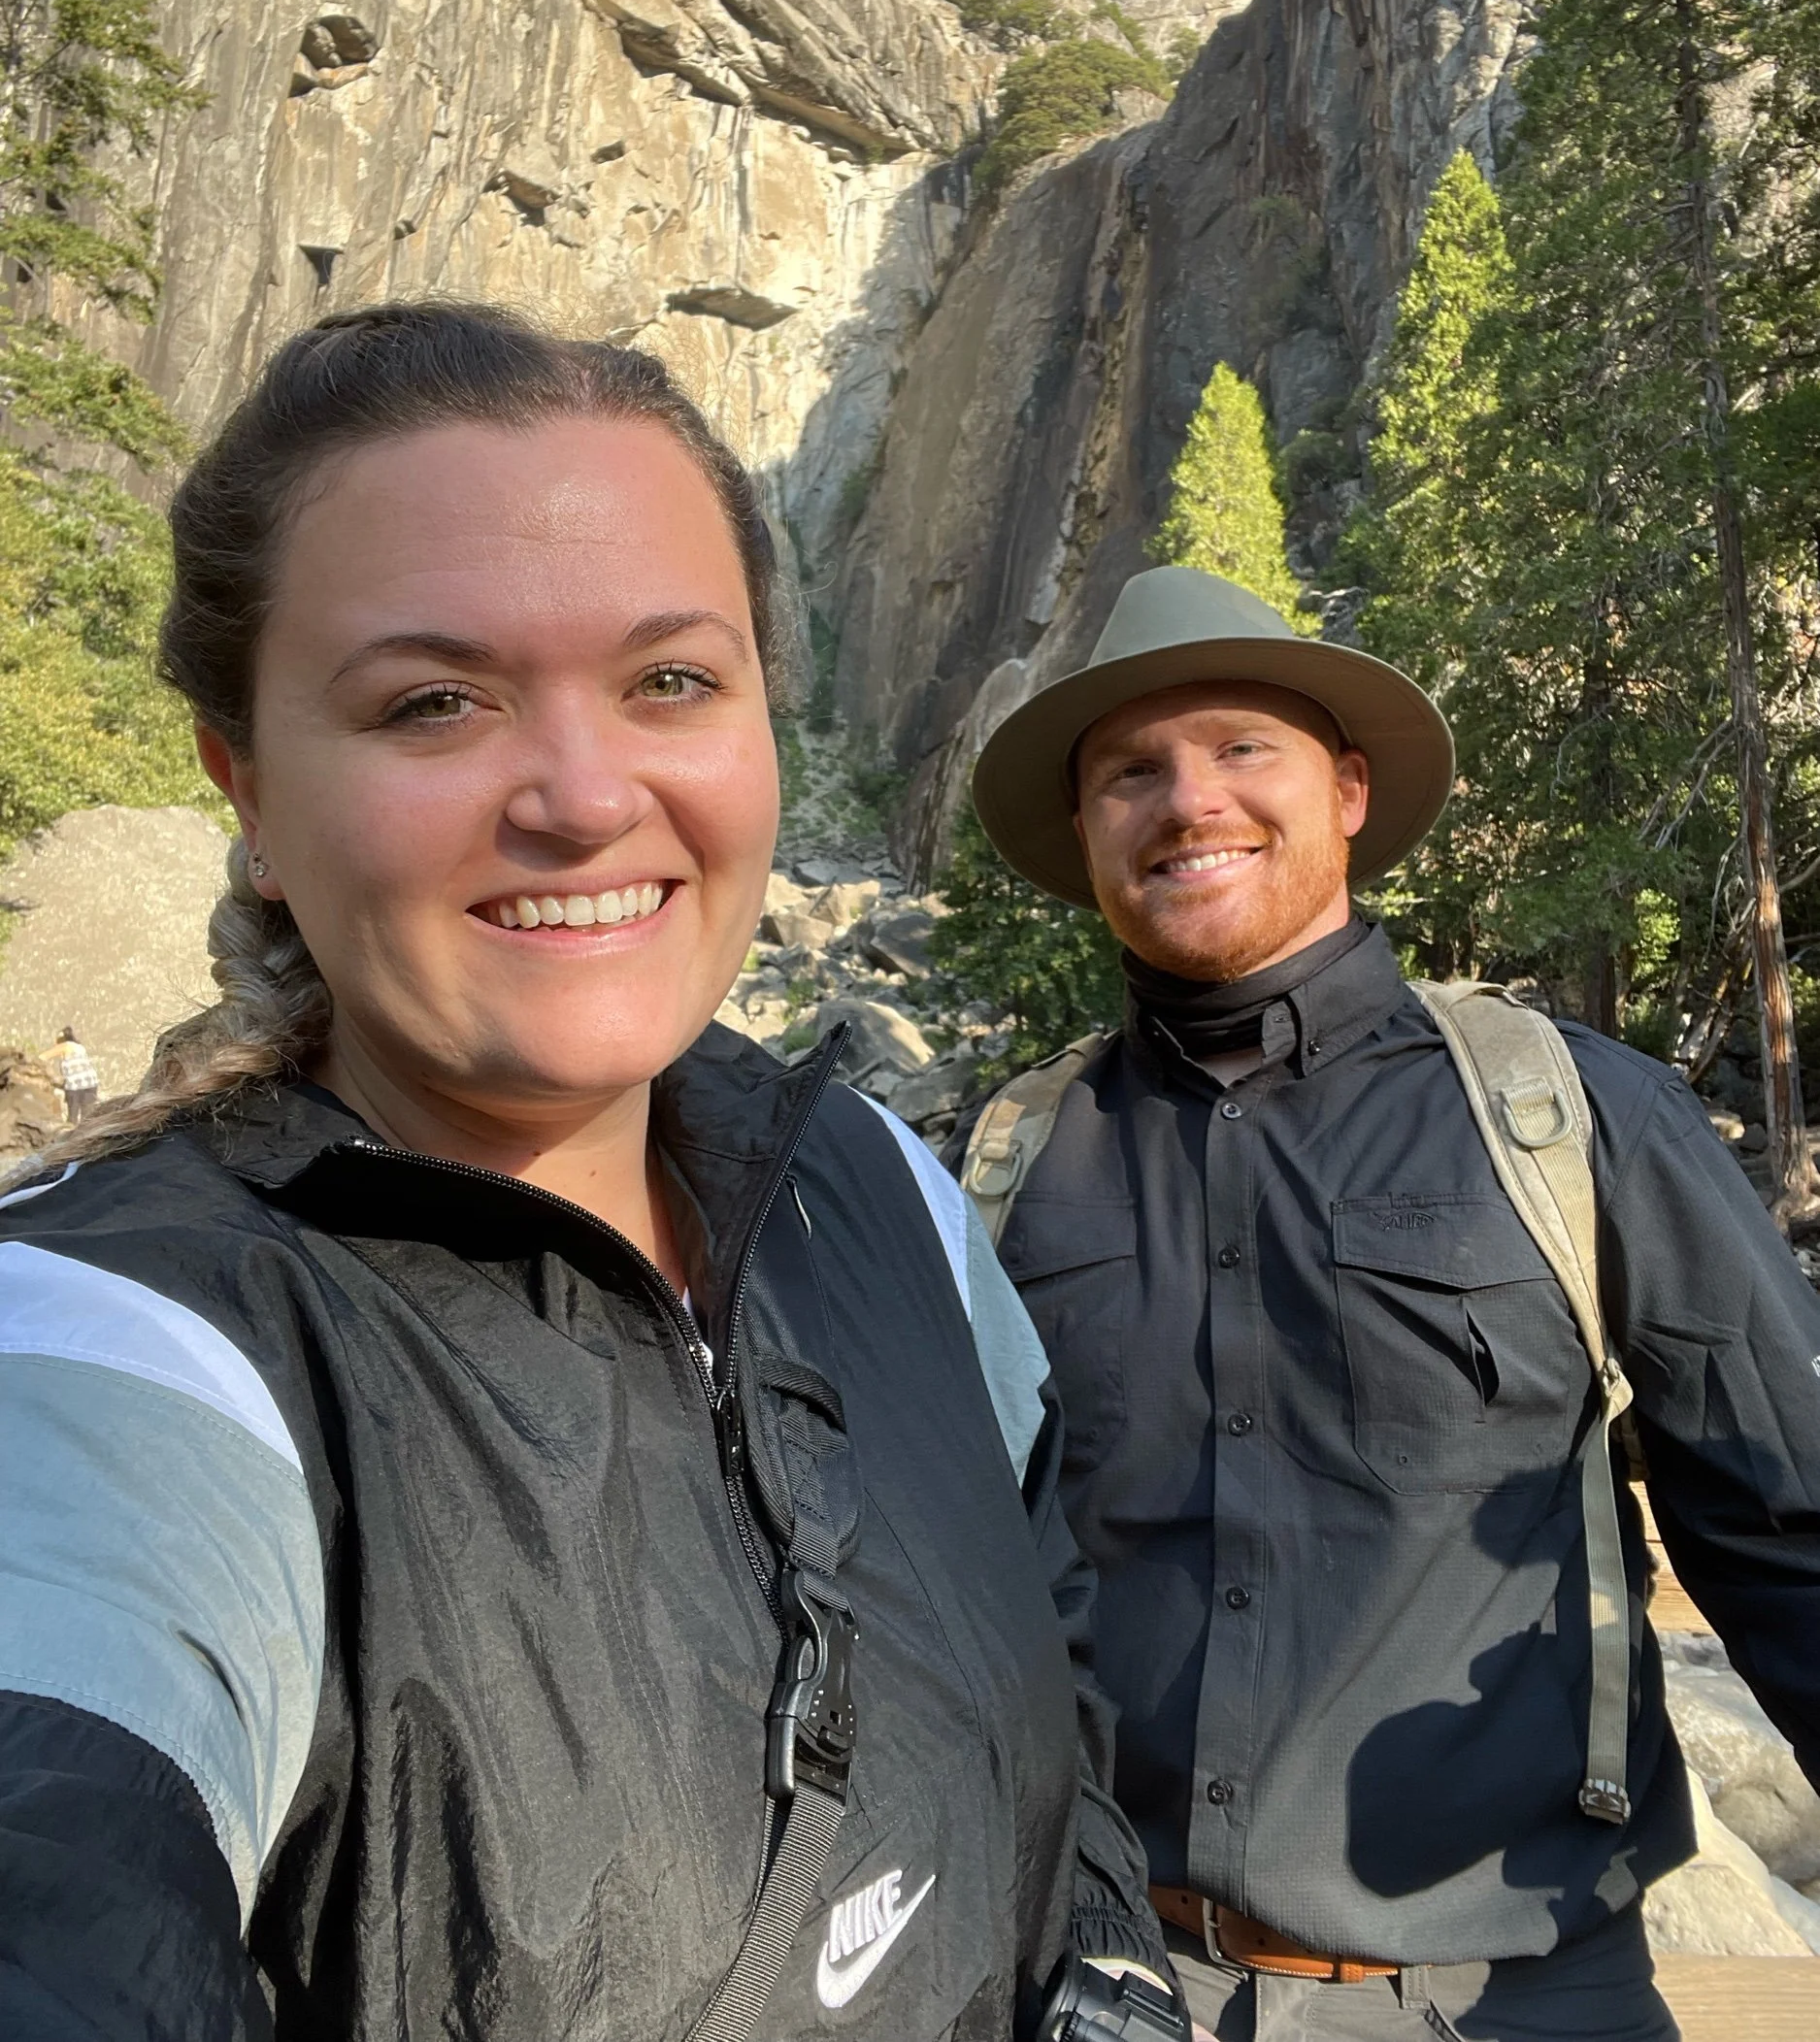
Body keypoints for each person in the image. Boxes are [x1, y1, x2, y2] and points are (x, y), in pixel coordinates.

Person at [0, 305, 1184, 2042]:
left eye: (671, 682)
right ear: (243, 789)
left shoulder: (874, 1189)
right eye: (433, 702)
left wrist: (1109, 1968)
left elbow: (1044, 1640)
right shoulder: (118, 1354)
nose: (580, 792)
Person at [949, 564, 1820, 2041]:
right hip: (1100, 1988)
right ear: (1087, 832)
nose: (1185, 800)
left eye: (1239, 749)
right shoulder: (1006, 1166)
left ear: (1344, 791)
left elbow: (1787, 1534)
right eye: (1128, 773)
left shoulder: (1566, 1119)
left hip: (1513, 2002)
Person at [44, 1027, 97, 1124]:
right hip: (91, 1083)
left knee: (72, 1119)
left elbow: (43, 1057)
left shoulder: (65, 1045)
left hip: (75, 1086)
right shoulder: (79, 1046)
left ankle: (72, 1137)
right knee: (87, 1119)